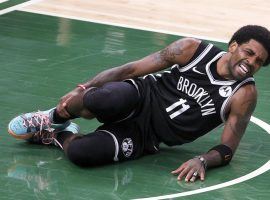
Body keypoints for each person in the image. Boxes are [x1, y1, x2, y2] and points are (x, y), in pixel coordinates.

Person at [8, 25, 270, 182]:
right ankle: (51, 117)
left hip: (146, 136)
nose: (251, 63)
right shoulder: (192, 49)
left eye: (259, 62)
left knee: (81, 154)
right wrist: (83, 89)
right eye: (249, 53)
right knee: (100, 97)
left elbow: (227, 149)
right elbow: (129, 69)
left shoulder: (243, 95)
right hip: (140, 96)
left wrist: (202, 160)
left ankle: (60, 136)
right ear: (234, 45)